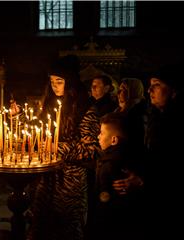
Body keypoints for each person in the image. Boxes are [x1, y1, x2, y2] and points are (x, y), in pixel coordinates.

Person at [27, 56, 100, 240]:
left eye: (59, 81)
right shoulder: (49, 105)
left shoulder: (86, 109)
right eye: (52, 81)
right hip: (46, 177)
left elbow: (91, 149)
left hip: (71, 181)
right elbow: (39, 130)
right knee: (41, 224)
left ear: (71, 81)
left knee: (67, 228)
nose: (55, 86)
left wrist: (59, 148)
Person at [112, 63, 184, 238]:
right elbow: (153, 158)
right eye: (150, 85)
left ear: (174, 90)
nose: (150, 90)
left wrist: (144, 181)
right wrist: (136, 175)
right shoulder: (156, 119)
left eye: (157, 84)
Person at [94, 112, 143, 240]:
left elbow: (104, 198)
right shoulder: (130, 157)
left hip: (111, 225)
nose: (98, 136)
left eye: (102, 133)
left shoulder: (109, 165)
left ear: (114, 140)